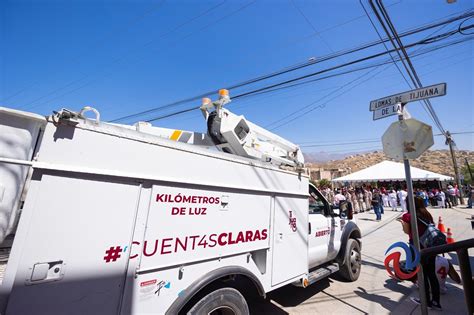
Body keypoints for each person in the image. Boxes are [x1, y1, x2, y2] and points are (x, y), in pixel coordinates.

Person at [400, 197, 442, 310]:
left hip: (417, 246)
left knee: (422, 275)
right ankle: (436, 302)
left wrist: (402, 223)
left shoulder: (407, 216)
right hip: (430, 246)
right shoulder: (426, 213)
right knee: (431, 275)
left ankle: (426, 301)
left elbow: (407, 231)